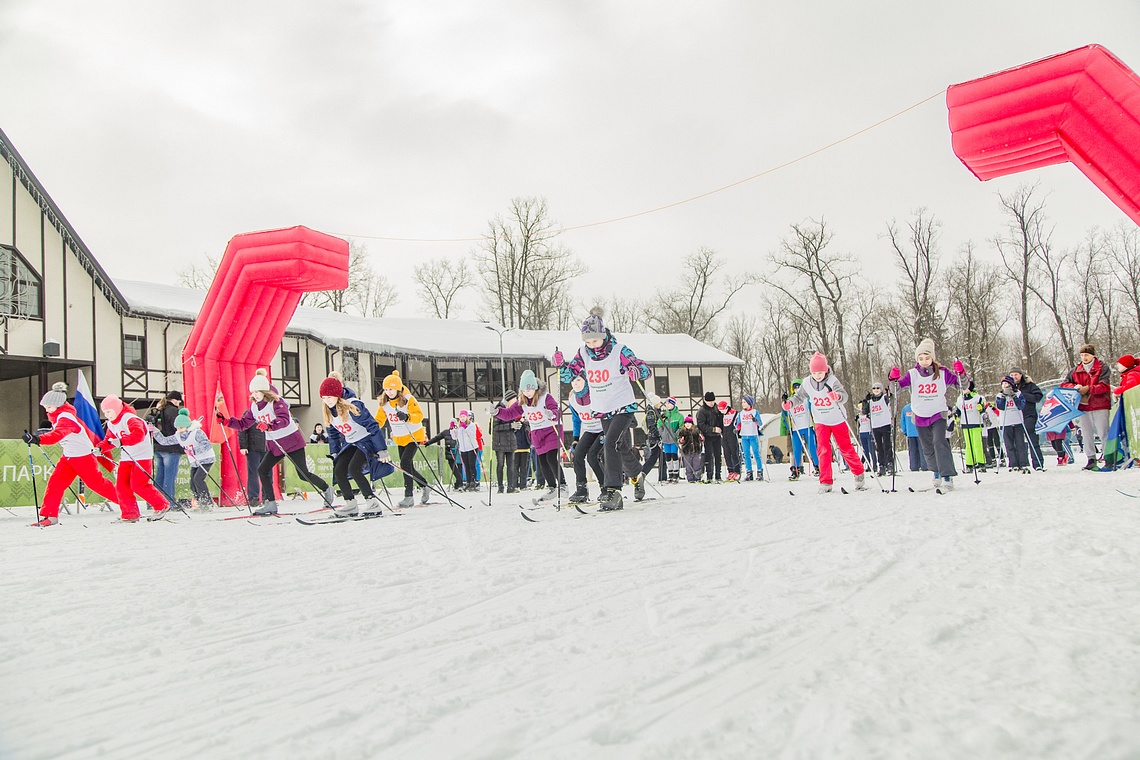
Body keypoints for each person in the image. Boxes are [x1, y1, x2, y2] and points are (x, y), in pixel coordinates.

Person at [553, 307, 656, 511]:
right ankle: (637, 474)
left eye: (595, 341)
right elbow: (568, 376)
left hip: (622, 406)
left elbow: (645, 370)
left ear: (603, 335)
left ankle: (613, 490)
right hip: (602, 408)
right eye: (588, 341)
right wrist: (561, 365)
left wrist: (636, 370)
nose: (592, 345)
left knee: (610, 443)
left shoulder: (619, 351)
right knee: (619, 446)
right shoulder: (584, 353)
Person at [221, 368, 333, 515]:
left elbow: (284, 420)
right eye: (253, 392)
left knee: (303, 474)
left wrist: (269, 425)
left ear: (265, 392)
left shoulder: (276, 402)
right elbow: (243, 424)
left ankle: (327, 489)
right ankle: (271, 503)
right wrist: (225, 421)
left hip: (292, 442)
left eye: (257, 392)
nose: (254, 395)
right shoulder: (254, 407)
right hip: (276, 446)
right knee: (262, 469)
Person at [24, 382, 121, 526]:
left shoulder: (66, 418)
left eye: (49, 407)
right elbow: (55, 433)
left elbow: (57, 435)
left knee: (97, 484)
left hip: (83, 457)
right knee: (55, 483)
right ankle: (50, 516)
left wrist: (38, 439)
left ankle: (127, 504)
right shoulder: (59, 417)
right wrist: (36, 437)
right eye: (45, 407)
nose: (47, 410)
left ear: (58, 405)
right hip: (69, 456)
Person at [890, 339, 966, 491]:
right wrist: (893, 379)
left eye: (927, 358)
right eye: (921, 358)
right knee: (928, 447)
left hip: (938, 413)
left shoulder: (942, 373)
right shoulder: (912, 374)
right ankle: (936, 471)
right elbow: (895, 390)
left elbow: (963, 385)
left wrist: (961, 373)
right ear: (917, 359)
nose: (924, 361)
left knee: (939, 442)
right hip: (920, 415)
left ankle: (947, 475)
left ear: (932, 358)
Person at [784, 352, 865, 493]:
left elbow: (844, 396)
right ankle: (826, 481)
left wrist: (837, 396)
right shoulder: (807, 383)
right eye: (815, 373)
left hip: (837, 419)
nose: (818, 375)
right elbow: (799, 396)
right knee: (823, 450)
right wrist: (790, 403)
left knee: (845, 448)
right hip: (821, 421)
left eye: (821, 372)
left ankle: (858, 474)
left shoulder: (832, 381)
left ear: (826, 369)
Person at [320, 374, 391, 516]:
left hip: (367, 441)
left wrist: (382, 449)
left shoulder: (353, 405)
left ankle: (372, 503)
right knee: (339, 469)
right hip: (351, 443)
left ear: (337, 395)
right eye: (324, 398)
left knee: (354, 468)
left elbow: (373, 426)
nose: (327, 401)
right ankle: (350, 504)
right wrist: (335, 452)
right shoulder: (328, 410)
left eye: (329, 397)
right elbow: (333, 434)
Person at [494, 369, 563, 502]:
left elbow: (556, 410)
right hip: (537, 431)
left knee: (551, 458)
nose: (528, 393)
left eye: (530, 390)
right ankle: (552, 487)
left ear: (536, 388)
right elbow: (509, 413)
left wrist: (552, 414)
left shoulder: (545, 397)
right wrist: (497, 412)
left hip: (551, 428)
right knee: (542, 461)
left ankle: (563, 485)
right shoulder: (522, 401)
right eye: (525, 390)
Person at [98, 395, 170, 522]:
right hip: (126, 457)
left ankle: (161, 505)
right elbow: (108, 440)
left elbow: (138, 435)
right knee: (121, 486)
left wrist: (121, 441)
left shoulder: (130, 419)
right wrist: (99, 448)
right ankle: (129, 514)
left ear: (117, 409)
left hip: (142, 456)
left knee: (139, 485)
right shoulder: (111, 424)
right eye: (105, 412)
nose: (107, 415)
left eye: (109, 411)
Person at [375, 370, 431, 507]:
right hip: (400, 438)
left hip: (414, 436)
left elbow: (419, 415)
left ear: (398, 388)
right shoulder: (384, 403)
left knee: (405, 463)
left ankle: (408, 496)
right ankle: (424, 485)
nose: (389, 392)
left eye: (392, 389)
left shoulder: (408, 399)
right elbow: (379, 419)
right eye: (387, 389)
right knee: (408, 465)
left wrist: (407, 417)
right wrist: (372, 427)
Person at [152, 408, 217, 511]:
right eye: (177, 428)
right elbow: (164, 441)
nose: (179, 430)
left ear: (187, 426)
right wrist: (155, 432)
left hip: (206, 459)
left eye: (181, 427)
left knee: (198, 479)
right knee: (192, 483)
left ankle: (207, 503)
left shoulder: (197, 433)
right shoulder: (178, 435)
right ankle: (200, 502)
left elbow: (207, 445)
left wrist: (194, 451)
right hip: (195, 462)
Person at [1060, 343, 1112, 470]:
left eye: (1087, 355)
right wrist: (1074, 387)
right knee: (1086, 433)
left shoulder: (1102, 368)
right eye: (1082, 355)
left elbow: (1104, 386)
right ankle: (1091, 458)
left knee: (1103, 432)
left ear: (1093, 356)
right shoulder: (1075, 370)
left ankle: (1108, 457)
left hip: (1100, 404)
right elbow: (1064, 384)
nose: (1084, 358)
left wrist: (1088, 389)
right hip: (1083, 406)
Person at [567, 374, 605, 503]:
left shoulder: (595, 395)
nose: (575, 383)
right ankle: (581, 489)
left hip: (602, 429)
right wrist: (575, 438)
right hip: (589, 430)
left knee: (592, 456)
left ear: (586, 381)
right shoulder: (572, 399)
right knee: (577, 455)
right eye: (573, 380)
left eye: (578, 380)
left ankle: (605, 487)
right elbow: (576, 419)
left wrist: (608, 431)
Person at [147, 390, 184, 505]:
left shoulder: (158, 410)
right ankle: (170, 502)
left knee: (159, 476)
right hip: (171, 448)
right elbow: (178, 427)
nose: (179, 404)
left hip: (158, 447)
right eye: (178, 401)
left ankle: (156, 502)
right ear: (174, 400)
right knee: (169, 476)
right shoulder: (174, 411)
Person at [1008, 369, 1045, 470]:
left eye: (1016, 374)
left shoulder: (1029, 385)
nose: (1014, 377)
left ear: (1021, 375)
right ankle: (1021, 463)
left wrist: (1022, 394)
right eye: (1012, 375)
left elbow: (1038, 397)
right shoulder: (1009, 387)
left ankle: (1038, 463)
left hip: (1028, 415)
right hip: (1015, 417)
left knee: (1032, 439)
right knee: (1018, 442)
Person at [995, 375, 1030, 472]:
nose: (1005, 386)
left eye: (1007, 384)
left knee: (1020, 444)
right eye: (1003, 384)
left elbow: (1021, 406)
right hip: (1005, 423)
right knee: (1009, 445)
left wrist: (1014, 397)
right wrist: (1004, 397)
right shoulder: (999, 395)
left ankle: (1023, 463)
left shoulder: (1018, 393)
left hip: (1017, 422)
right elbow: (1000, 407)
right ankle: (1013, 463)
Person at [784, 382, 818, 480]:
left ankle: (818, 467)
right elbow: (785, 414)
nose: (797, 389)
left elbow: (813, 408)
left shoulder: (806, 399)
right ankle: (796, 469)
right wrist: (785, 402)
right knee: (796, 450)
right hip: (796, 429)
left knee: (812, 448)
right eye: (795, 388)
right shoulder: (791, 401)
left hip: (808, 426)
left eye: (799, 387)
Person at [238, 396, 267, 505]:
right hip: (253, 447)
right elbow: (242, 430)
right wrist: (243, 446)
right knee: (253, 473)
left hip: (266, 447)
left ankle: (267, 497)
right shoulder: (248, 414)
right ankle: (253, 497)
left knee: (267, 473)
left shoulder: (268, 414)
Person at [955, 382, 988, 472]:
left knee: (977, 444)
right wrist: (956, 416)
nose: (963, 389)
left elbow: (983, 408)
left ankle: (981, 463)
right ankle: (969, 464)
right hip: (965, 424)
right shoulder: (960, 399)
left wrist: (980, 408)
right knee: (969, 445)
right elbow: (958, 410)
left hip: (976, 423)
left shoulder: (977, 397)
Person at [491, 391, 520, 494]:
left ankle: (511, 486)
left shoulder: (512, 410)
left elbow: (512, 425)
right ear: (509, 400)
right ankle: (500, 486)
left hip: (510, 441)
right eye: (514, 399)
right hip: (499, 442)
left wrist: (516, 426)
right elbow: (494, 427)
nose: (516, 401)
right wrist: (510, 426)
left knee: (511, 465)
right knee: (500, 464)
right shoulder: (498, 410)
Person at [863, 382, 894, 476]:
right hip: (875, 426)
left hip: (885, 424)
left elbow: (890, 398)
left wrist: (889, 392)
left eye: (878, 388)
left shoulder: (884, 398)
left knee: (887, 445)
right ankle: (881, 465)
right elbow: (865, 412)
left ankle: (890, 464)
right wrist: (865, 401)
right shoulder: (870, 401)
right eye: (874, 388)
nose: (876, 390)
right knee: (879, 447)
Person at [696, 392, 724, 482]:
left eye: (713, 401)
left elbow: (721, 419)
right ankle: (709, 475)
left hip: (717, 436)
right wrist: (713, 429)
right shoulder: (701, 411)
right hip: (708, 436)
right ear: (705, 401)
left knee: (718, 455)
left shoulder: (717, 408)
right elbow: (701, 425)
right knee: (709, 456)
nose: (711, 403)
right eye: (709, 402)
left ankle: (718, 475)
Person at [736, 395, 763, 481]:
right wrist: (736, 429)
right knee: (746, 454)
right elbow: (739, 424)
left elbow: (760, 423)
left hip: (753, 435)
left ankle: (760, 471)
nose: (743, 404)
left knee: (756, 453)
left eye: (744, 402)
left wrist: (756, 420)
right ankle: (749, 472)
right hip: (744, 435)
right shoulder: (741, 413)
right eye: (742, 402)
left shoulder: (755, 412)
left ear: (749, 403)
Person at [657, 397, 684, 483]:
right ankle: (670, 474)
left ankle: (676, 474)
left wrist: (676, 434)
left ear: (673, 404)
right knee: (667, 457)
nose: (667, 405)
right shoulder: (664, 415)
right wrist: (662, 434)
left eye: (669, 403)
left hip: (673, 439)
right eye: (667, 403)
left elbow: (681, 427)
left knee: (674, 455)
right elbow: (659, 425)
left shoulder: (678, 416)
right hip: (666, 439)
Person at [454, 409, 481, 491]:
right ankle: (468, 481)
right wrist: (452, 429)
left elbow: (472, 435)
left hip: (472, 447)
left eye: (464, 416)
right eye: (461, 417)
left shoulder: (472, 425)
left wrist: (465, 427)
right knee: (466, 466)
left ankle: (473, 481)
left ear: (467, 417)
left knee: (472, 465)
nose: (462, 418)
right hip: (463, 449)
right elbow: (454, 437)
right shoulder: (459, 427)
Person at [678, 416, 704, 483]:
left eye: (689, 423)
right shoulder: (682, 431)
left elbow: (701, 438)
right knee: (688, 465)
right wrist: (681, 441)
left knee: (696, 464)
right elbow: (679, 440)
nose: (687, 425)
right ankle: (690, 478)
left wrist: (701, 438)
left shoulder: (696, 431)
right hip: (686, 451)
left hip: (696, 450)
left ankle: (697, 477)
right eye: (686, 423)